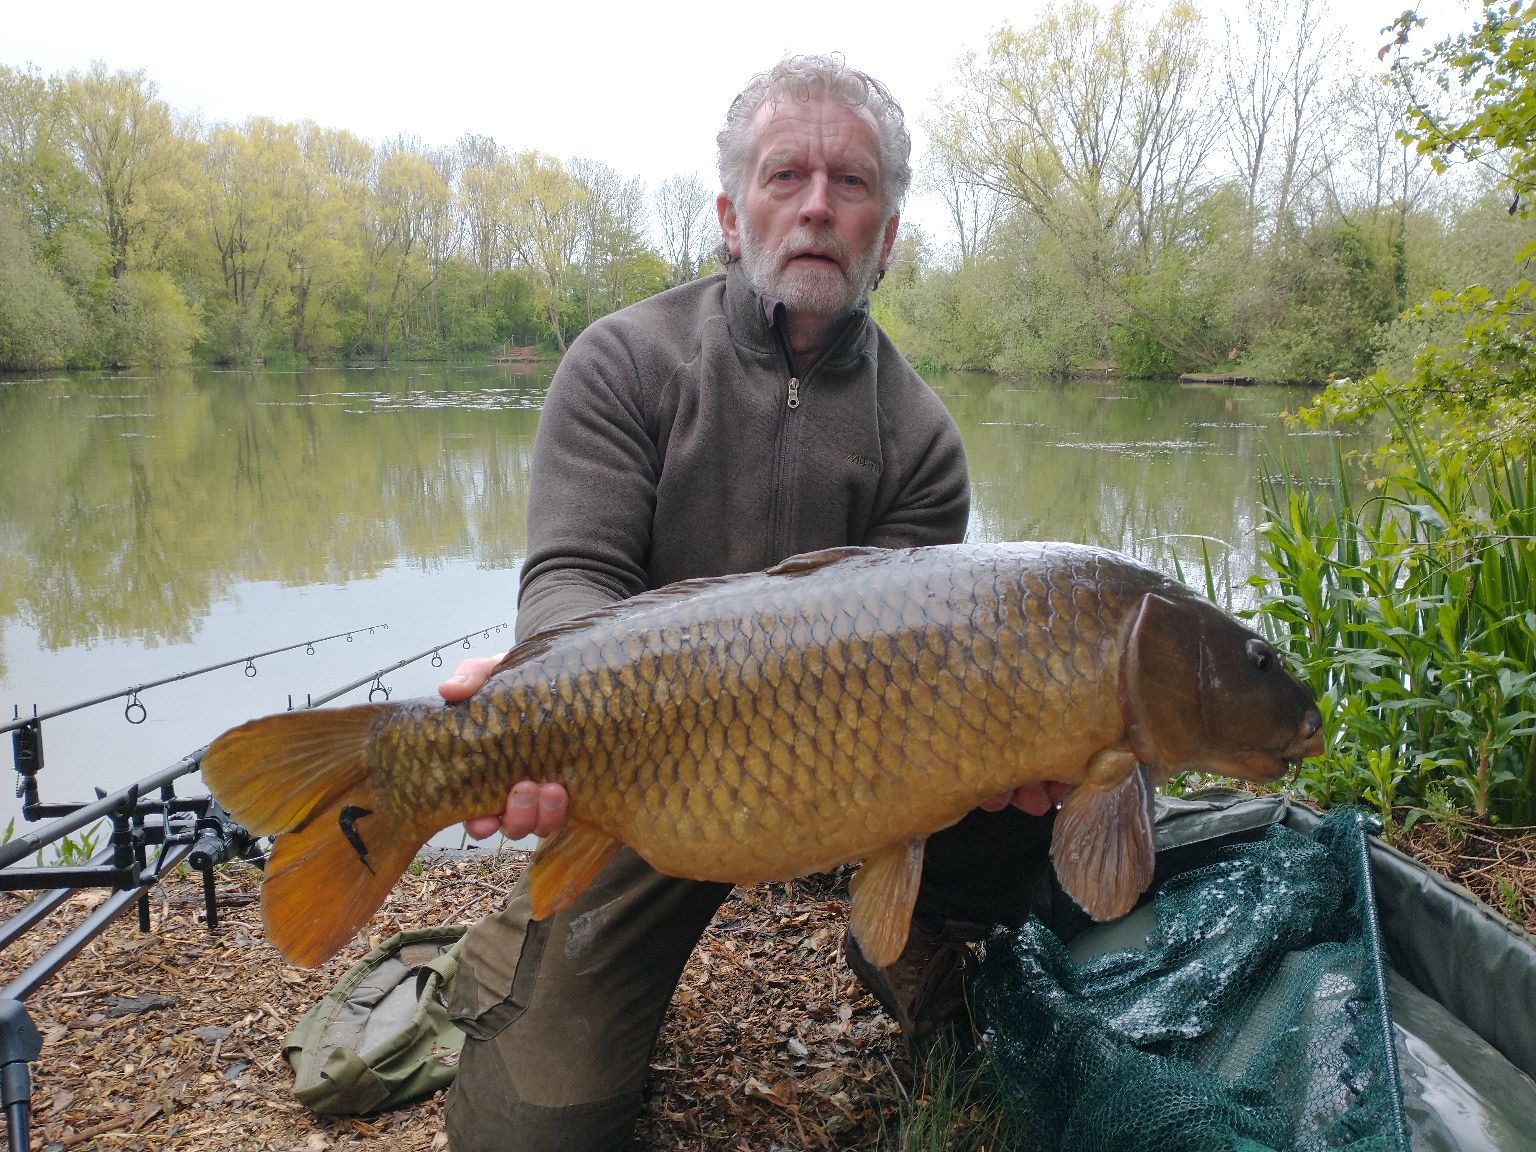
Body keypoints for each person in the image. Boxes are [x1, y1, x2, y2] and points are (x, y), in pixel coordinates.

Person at [437, 54, 1065, 1152]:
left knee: (1044, 771)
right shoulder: (622, 364)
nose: (818, 205)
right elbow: (572, 575)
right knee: (531, 1135)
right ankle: (522, 963)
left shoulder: (922, 439)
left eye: (851, 183)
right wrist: (541, 698)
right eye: (786, 176)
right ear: (732, 217)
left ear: (887, 235)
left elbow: (924, 662)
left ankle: (912, 938)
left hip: (853, 773)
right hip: (652, 773)